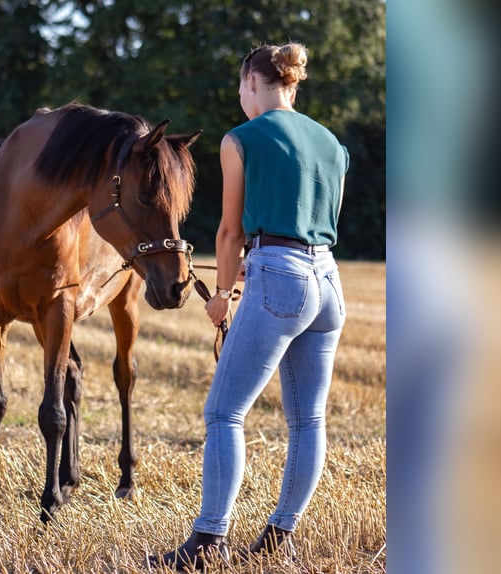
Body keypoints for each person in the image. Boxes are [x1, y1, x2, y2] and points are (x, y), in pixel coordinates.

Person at [149, 43, 349, 570]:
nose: (240, 96)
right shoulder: (332, 143)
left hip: (279, 278)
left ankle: (207, 541)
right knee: (307, 419)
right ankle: (280, 534)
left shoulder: (240, 139)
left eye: (240, 87)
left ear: (251, 84)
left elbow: (230, 229)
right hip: (328, 281)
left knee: (223, 412)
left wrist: (223, 292)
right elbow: (312, 221)